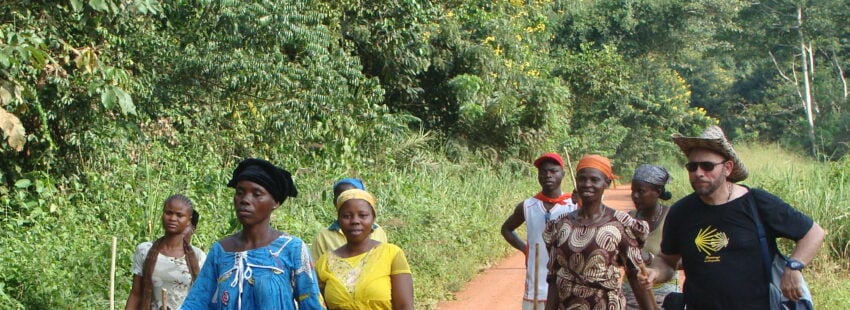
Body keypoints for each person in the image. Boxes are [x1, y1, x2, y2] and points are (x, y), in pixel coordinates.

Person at [639, 126, 825, 309]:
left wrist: (793, 266)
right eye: (692, 166)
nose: (698, 173)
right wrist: (654, 272)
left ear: (727, 168)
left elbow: (813, 233)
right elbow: (667, 260)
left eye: (707, 166)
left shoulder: (756, 203)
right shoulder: (681, 212)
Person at [180, 158, 324, 309]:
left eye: (257, 194)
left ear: (275, 202)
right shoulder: (220, 251)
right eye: (240, 193)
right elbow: (197, 302)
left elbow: (311, 303)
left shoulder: (292, 249)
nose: (245, 200)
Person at [543, 154, 649, 310]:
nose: (587, 184)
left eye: (594, 180)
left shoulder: (620, 223)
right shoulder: (560, 224)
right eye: (582, 179)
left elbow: (634, 275)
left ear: (606, 183)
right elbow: (553, 277)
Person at [501, 152, 578, 310]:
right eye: (543, 172)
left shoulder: (574, 205)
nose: (548, 175)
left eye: (553, 171)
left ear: (563, 174)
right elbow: (506, 229)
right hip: (537, 285)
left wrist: (582, 201)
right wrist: (525, 249)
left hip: (567, 284)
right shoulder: (528, 206)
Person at [315, 188, 414, 309]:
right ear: (339, 221)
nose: (355, 221)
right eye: (347, 216)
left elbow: (404, 306)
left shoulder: (391, 254)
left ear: (373, 219)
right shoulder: (325, 262)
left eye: (363, 215)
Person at [126, 194, 206, 310]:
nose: (173, 218)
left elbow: (202, 298)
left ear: (189, 220)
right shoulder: (145, 250)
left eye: (179, 215)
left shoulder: (198, 256)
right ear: (162, 215)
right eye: (168, 213)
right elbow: (136, 294)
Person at [622, 164, 677, 309]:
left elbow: (682, 260)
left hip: (663, 294)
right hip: (631, 293)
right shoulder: (627, 219)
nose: (635, 196)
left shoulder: (673, 217)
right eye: (633, 191)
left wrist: (649, 259)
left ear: (657, 192)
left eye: (641, 191)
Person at [311, 178, 388, 261]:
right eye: (342, 199)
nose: (355, 221)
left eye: (362, 215)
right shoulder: (323, 237)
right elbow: (315, 269)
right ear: (335, 203)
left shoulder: (378, 231)